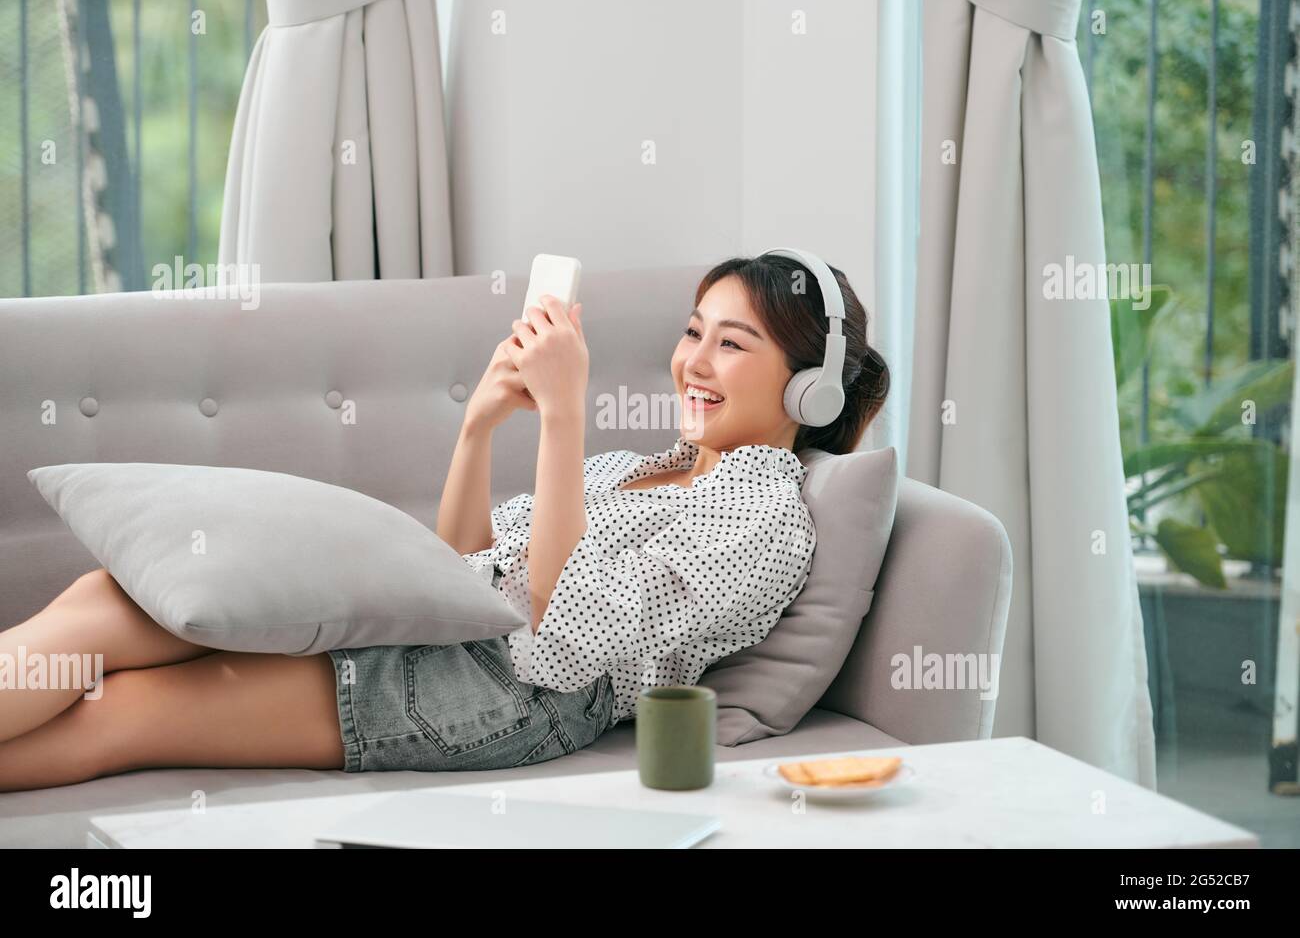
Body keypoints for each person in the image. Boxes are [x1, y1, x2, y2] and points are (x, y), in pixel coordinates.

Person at [0, 253, 888, 790]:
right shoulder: (640, 468)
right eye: (693, 332)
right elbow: (466, 565)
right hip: (462, 642)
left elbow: (557, 645)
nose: (693, 361)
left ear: (809, 387)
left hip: (511, 698)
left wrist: (566, 415)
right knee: (106, 599)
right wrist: (483, 425)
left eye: (731, 344)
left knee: (131, 711)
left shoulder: (766, 513)